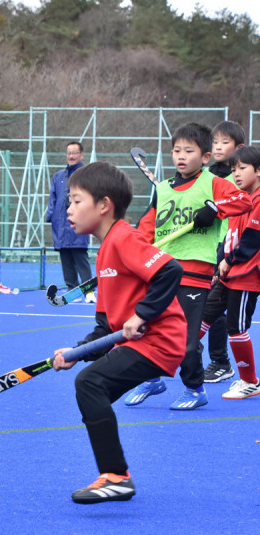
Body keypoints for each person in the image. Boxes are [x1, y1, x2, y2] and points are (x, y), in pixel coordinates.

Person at [52, 161, 186, 504]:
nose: (68, 209)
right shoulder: (104, 251)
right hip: (143, 342)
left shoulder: (124, 238)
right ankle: (114, 475)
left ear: (104, 205)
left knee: (91, 384)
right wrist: (77, 352)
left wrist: (143, 314)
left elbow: (170, 270)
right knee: (92, 389)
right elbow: (104, 325)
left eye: (76, 200)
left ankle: (115, 476)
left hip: (159, 340)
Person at [125, 122, 251, 410]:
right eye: (176, 150)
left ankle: (195, 389)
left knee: (186, 340)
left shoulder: (214, 183)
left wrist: (215, 209)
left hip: (194, 275)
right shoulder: (163, 189)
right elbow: (148, 229)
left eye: (188, 151)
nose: (181, 156)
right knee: (149, 331)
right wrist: (136, 256)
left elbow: (243, 201)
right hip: (161, 271)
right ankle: (152, 377)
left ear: (206, 157)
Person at [199, 145, 260, 399]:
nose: (236, 174)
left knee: (236, 327)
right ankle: (176, 357)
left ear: (258, 171)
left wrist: (229, 261)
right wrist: (221, 261)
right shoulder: (240, 199)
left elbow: (250, 242)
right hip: (229, 271)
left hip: (246, 275)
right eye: (233, 169)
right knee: (203, 315)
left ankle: (250, 382)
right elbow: (229, 237)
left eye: (242, 169)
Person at [202, 121, 245, 383]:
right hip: (204, 247)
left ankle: (220, 361)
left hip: (227, 249)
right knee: (205, 306)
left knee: (214, 308)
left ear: (238, 148)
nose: (218, 147)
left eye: (224, 143)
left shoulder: (236, 179)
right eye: (215, 142)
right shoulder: (206, 175)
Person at [47, 142, 95, 303]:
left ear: (82, 154)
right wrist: (51, 216)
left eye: (75, 153)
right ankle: (72, 290)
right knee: (65, 257)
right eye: (69, 153)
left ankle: (89, 292)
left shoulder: (87, 175)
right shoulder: (59, 176)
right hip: (60, 224)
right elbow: (52, 199)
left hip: (78, 222)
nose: (71, 156)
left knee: (80, 255)